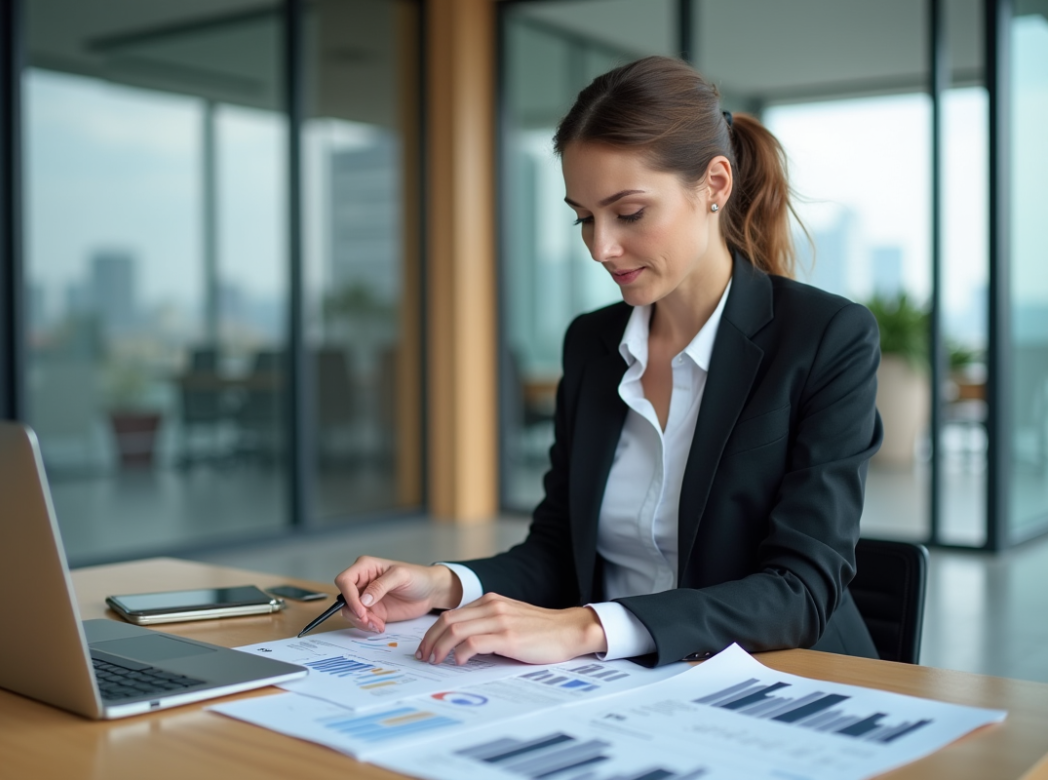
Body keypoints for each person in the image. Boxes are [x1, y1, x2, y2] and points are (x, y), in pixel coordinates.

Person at [334, 55, 882, 668]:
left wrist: (586, 628)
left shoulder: (825, 337)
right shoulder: (593, 344)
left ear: (716, 185)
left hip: (783, 681)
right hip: (617, 689)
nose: (601, 247)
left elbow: (800, 592)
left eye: (629, 213)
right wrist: (445, 583)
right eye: (583, 218)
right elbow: (558, 550)